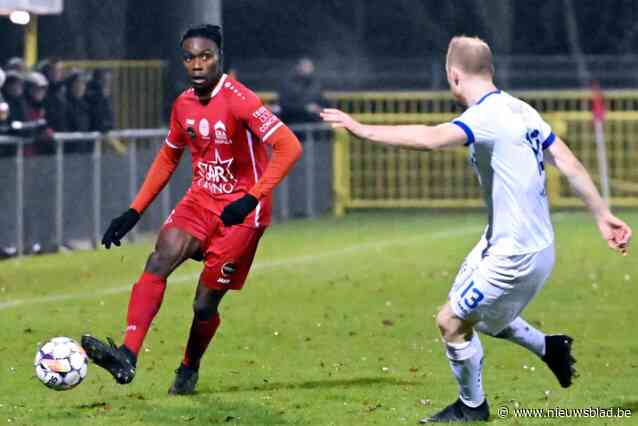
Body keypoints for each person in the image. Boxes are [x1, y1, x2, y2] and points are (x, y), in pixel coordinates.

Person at [321, 36, 632, 423]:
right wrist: (602, 213)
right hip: (515, 243)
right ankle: (549, 348)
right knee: (482, 316)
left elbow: (431, 138)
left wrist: (362, 129)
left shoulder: (485, 116)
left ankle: (472, 408)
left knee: (451, 321)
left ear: (454, 75)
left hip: (515, 252)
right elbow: (567, 161)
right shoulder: (520, 109)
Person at [81, 24, 303, 395]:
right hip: (200, 199)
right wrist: (133, 211)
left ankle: (188, 367)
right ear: (183, 61)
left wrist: (252, 198)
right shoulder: (183, 103)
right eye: (190, 58)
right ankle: (127, 355)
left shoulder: (241, 100)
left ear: (219, 58)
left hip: (241, 214)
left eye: (206, 56)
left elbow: (289, 146)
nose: (198, 64)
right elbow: (168, 158)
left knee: (204, 305)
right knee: (158, 260)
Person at [278, 57, 326, 124]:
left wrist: (320, 108)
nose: (307, 69)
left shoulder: (316, 83)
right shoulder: (288, 83)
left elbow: (321, 101)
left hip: (312, 121)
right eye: (304, 66)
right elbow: (284, 104)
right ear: (298, 67)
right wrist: (305, 108)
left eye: (309, 66)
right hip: (293, 120)